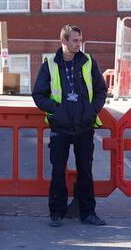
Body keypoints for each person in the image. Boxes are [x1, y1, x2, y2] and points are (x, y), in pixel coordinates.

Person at [32, 24, 108, 227]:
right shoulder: (49, 64)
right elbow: (38, 94)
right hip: (60, 128)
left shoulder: (88, 62)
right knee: (58, 171)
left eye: (80, 40)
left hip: (84, 126)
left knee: (86, 171)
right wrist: (56, 111)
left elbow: (101, 90)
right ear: (63, 41)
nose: (79, 44)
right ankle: (56, 212)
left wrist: (91, 111)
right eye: (75, 40)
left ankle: (88, 213)